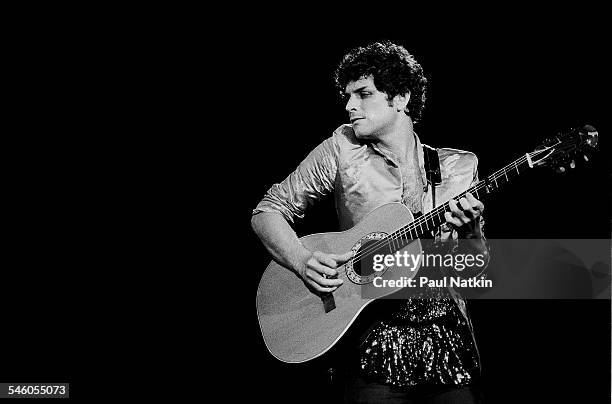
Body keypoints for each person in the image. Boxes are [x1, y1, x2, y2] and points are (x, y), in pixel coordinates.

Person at [251, 40, 490, 403]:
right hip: (371, 339)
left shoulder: (459, 167)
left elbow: (472, 271)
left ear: (401, 98)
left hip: (446, 341)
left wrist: (471, 231)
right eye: (348, 96)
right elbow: (268, 210)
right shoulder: (342, 149)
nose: (349, 106)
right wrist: (301, 261)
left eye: (363, 94)